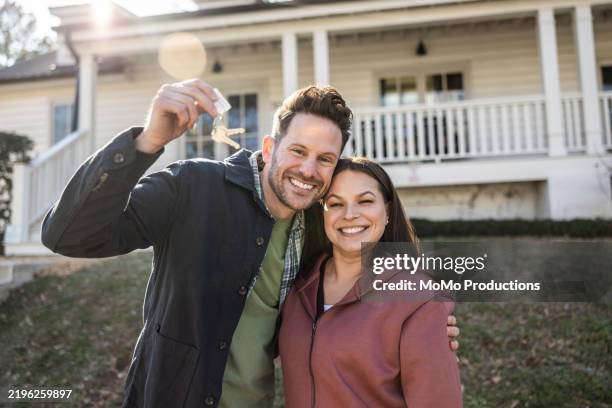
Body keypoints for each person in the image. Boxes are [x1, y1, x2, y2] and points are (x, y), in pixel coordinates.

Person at [41, 79, 460, 408]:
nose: (308, 170)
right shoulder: (193, 186)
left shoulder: (321, 225)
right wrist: (146, 142)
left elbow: (356, 287)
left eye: (325, 159)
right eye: (297, 150)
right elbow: (69, 235)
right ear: (269, 147)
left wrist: (425, 322)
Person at [279, 157, 463, 407]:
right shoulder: (296, 287)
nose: (350, 215)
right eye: (335, 204)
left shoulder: (419, 300)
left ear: (387, 211)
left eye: (365, 201)